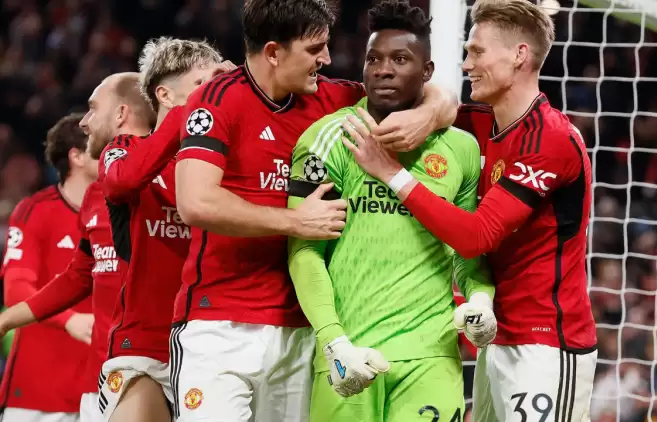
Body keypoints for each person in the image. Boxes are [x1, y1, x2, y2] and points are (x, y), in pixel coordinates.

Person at [171, 0, 457, 420]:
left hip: (301, 330)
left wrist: (429, 115)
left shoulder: (329, 98)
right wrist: (294, 220)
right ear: (273, 52)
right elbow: (195, 202)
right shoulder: (216, 99)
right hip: (220, 324)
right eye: (314, 49)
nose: (326, 59)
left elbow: (427, 92)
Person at [341, 1, 598, 421]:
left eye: (477, 52)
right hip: (494, 338)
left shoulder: (550, 139)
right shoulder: (479, 122)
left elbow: (477, 236)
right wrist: (430, 112)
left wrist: (391, 174)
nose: (466, 65)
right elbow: (437, 99)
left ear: (519, 55)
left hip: (546, 343)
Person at [287, 1, 495, 421]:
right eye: (374, 59)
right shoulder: (329, 138)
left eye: (400, 59)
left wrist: (481, 299)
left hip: (430, 356)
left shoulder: (461, 149)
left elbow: (466, 249)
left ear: (428, 71)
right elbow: (305, 251)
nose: (383, 70)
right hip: (349, 353)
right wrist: (334, 342)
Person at [93, 38, 231, 422]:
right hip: (146, 344)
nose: (213, 94)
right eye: (202, 84)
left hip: (214, 343)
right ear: (165, 95)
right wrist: (192, 111)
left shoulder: (224, 162)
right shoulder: (125, 149)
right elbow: (122, 182)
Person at [0, 118, 127, 422]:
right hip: (39, 394)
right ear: (76, 156)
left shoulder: (123, 210)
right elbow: (15, 290)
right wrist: (68, 320)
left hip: (106, 386)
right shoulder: (36, 210)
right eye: (101, 145)